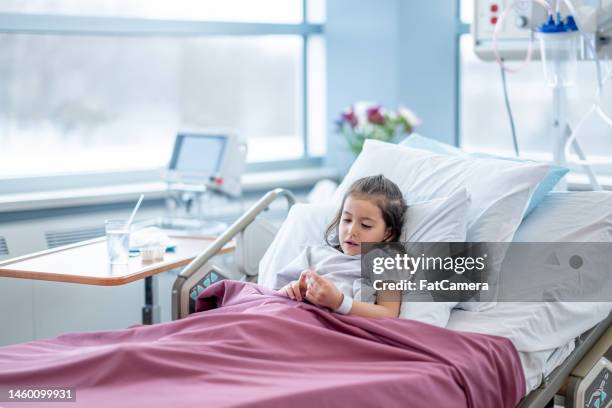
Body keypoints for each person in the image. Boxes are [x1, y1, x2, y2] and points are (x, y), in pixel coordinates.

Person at [275, 174, 407, 318]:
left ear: (387, 233)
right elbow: (274, 294)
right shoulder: (315, 254)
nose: (351, 231)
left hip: (329, 326)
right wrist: (290, 290)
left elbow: (389, 313)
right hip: (292, 313)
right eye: (347, 220)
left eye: (365, 225)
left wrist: (339, 302)